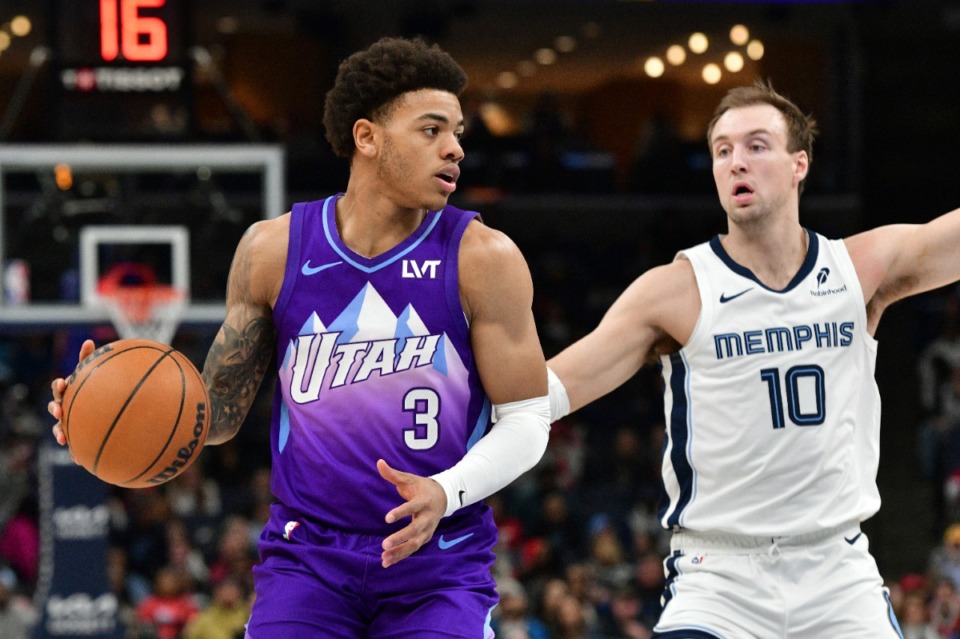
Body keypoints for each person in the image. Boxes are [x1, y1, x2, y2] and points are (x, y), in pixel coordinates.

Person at [48, 36, 550, 638]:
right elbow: (219, 414)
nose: (455, 149)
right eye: (431, 130)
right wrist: (107, 410)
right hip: (308, 559)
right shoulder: (273, 250)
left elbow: (526, 420)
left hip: (438, 558)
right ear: (367, 137)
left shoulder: (482, 257)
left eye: (458, 132)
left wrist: (446, 491)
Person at [546, 79, 960, 637]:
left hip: (836, 571)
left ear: (799, 165)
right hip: (719, 576)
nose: (736, 161)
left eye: (756, 145)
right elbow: (551, 389)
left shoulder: (857, 269)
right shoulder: (677, 289)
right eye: (723, 150)